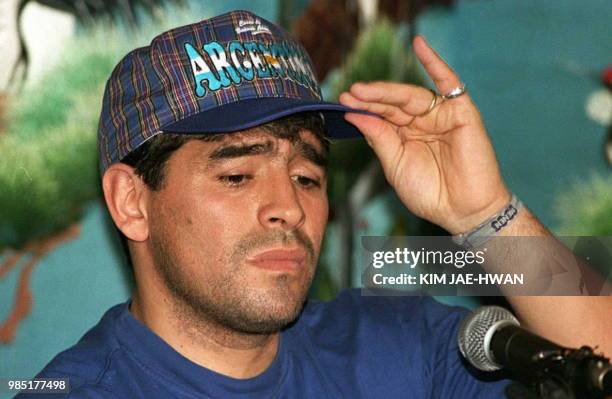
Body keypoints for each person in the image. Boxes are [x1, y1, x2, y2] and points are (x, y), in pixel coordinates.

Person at [17, 9, 611, 398]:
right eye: (238, 176)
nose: (289, 209)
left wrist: (487, 213)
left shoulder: (392, 347)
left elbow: (602, 360)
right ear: (132, 201)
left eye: (306, 176)